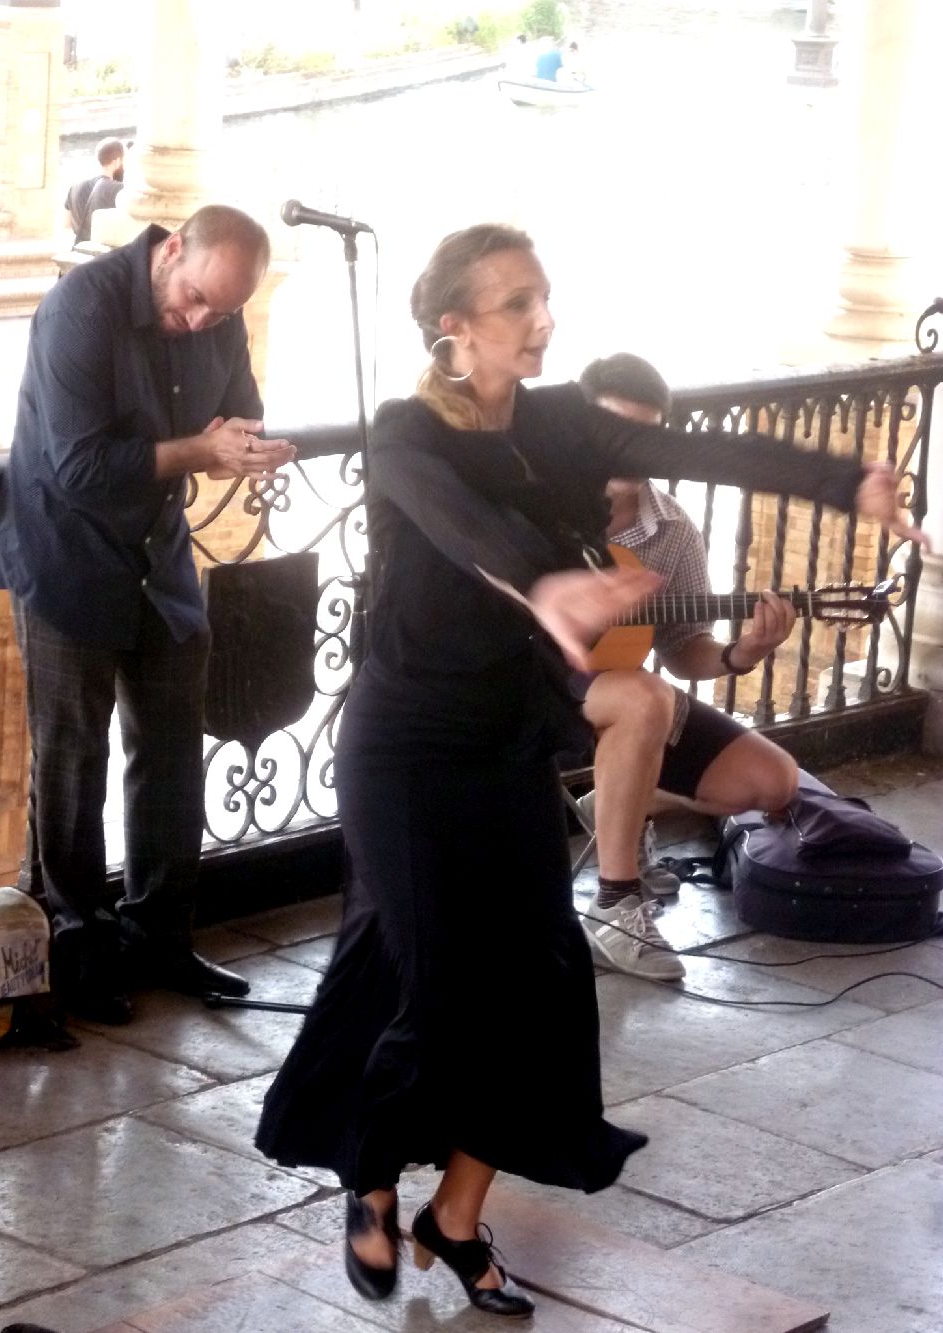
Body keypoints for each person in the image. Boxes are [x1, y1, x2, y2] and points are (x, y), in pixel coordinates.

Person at [254, 223, 920, 1319]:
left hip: (508, 738)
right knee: (429, 979)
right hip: (406, 745)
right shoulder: (405, 432)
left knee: (548, 984)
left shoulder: (561, 423)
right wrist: (541, 581)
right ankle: (368, 1174)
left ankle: (455, 1216)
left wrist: (847, 480)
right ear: (453, 327)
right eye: (514, 303)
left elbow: (711, 449)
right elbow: (457, 520)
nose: (540, 319)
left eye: (543, 297)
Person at [0, 205, 296, 1027]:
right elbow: (82, 467)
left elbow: (240, 405)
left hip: (157, 555)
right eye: (194, 299)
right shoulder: (79, 308)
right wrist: (203, 450)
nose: (200, 320)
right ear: (169, 251)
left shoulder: (218, 316)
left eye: (221, 312)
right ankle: (78, 943)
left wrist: (254, 445)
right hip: (65, 553)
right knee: (71, 756)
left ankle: (160, 934)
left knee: (170, 747)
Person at [572, 353, 801, 982]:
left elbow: (681, 648)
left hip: (626, 699)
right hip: (530, 689)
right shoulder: (538, 505)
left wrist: (739, 654)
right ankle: (616, 906)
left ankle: (615, 801)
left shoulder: (670, 529)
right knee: (646, 696)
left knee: (773, 783)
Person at [63, 137, 126, 247]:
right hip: (102, 257)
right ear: (117, 161)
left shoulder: (74, 187)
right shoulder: (118, 189)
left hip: (79, 253)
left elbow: (66, 225)